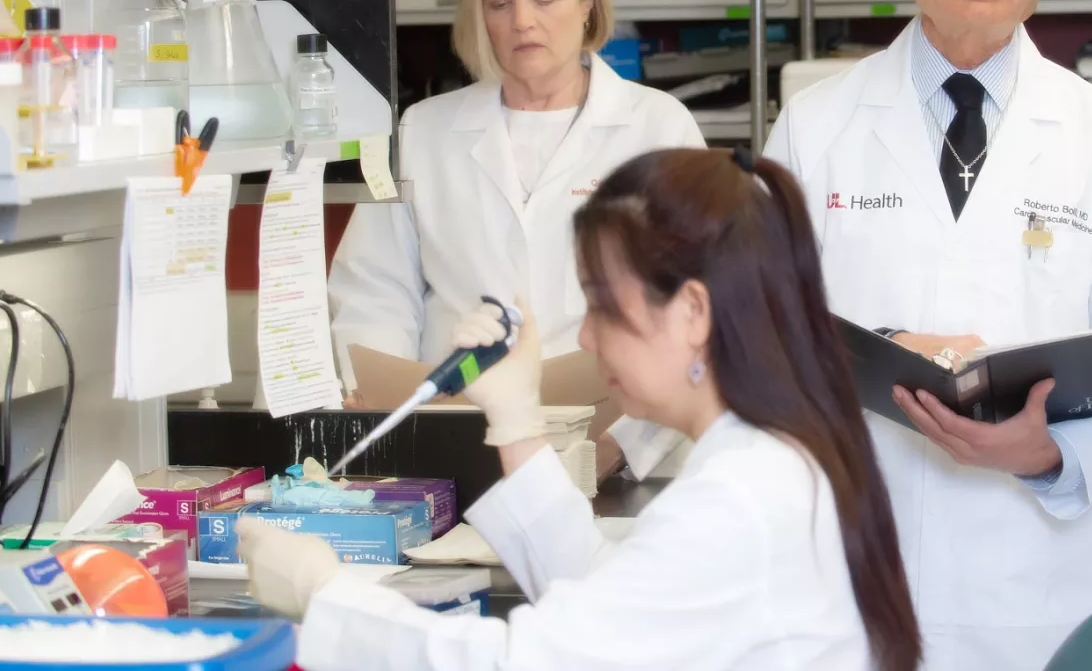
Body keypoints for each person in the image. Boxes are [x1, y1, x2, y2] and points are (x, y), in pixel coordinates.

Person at [241, 148, 922, 671]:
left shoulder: (741, 497)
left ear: (691, 312)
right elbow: (611, 601)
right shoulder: (773, 454)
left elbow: (531, 662)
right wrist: (515, 421)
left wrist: (323, 593)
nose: (588, 338)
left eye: (603, 305)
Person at [763, 0, 1092, 671]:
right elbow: (756, 340)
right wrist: (873, 356)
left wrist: (1053, 450)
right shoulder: (815, 128)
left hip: (1035, 587)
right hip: (851, 577)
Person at [327, 0, 703, 480]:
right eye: (500, 3)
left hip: (615, 449)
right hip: (451, 447)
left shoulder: (658, 128)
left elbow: (701, 310)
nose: (523, 20)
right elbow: (373, 293)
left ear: (587, 3)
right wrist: (395, 418)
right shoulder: (424, 130)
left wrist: (619, 447)